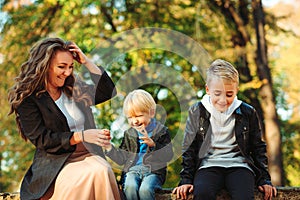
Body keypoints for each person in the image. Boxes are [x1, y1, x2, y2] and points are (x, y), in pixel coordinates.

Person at [8, 37, 121, 200]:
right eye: (61, 67)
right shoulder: (28, 100)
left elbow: (108, 91)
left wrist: (87, 62)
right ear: (45, 66)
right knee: (95, 173)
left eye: (70, 67)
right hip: (56, 162)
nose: (67, 72)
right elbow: (42, 139)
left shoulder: (74, 89)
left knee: (102, 170)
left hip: (89, 155)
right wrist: (80, 136)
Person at [172, 59, 277, 200]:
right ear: (208, 90)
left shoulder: (247, 112)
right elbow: (189, 147)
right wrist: (186, 180)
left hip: (240, 165)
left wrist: (264, 180)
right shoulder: (197, 111)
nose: (223, 100)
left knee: (244, 196)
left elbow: (258, 147)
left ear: (236, 91)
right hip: (208, 165)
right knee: (202, 193)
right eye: (217, 94)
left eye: (229, 94)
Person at [103, 89, 174, 200]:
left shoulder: (161, 131)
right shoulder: (129, 134)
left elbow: (168, 155)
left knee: (145, 190)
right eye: (130, 117)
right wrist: (108, 147)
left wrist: (153, 145)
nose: (134, 121)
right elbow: (122, 158)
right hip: (132, 171)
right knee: (130, 186)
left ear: (151, 113)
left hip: (153, 172)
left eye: (138, 116)